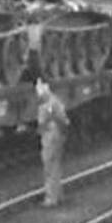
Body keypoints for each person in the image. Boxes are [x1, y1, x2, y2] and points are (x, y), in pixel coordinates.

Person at [35, 78, 71, 207]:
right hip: (57, 134)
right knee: (56, 166)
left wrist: (40, 130)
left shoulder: (47, 105)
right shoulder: (55, 101)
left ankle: (51, 198)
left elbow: (44, 122)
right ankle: (58, 195)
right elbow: (64, 120)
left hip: (50, 136)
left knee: (49, 167)